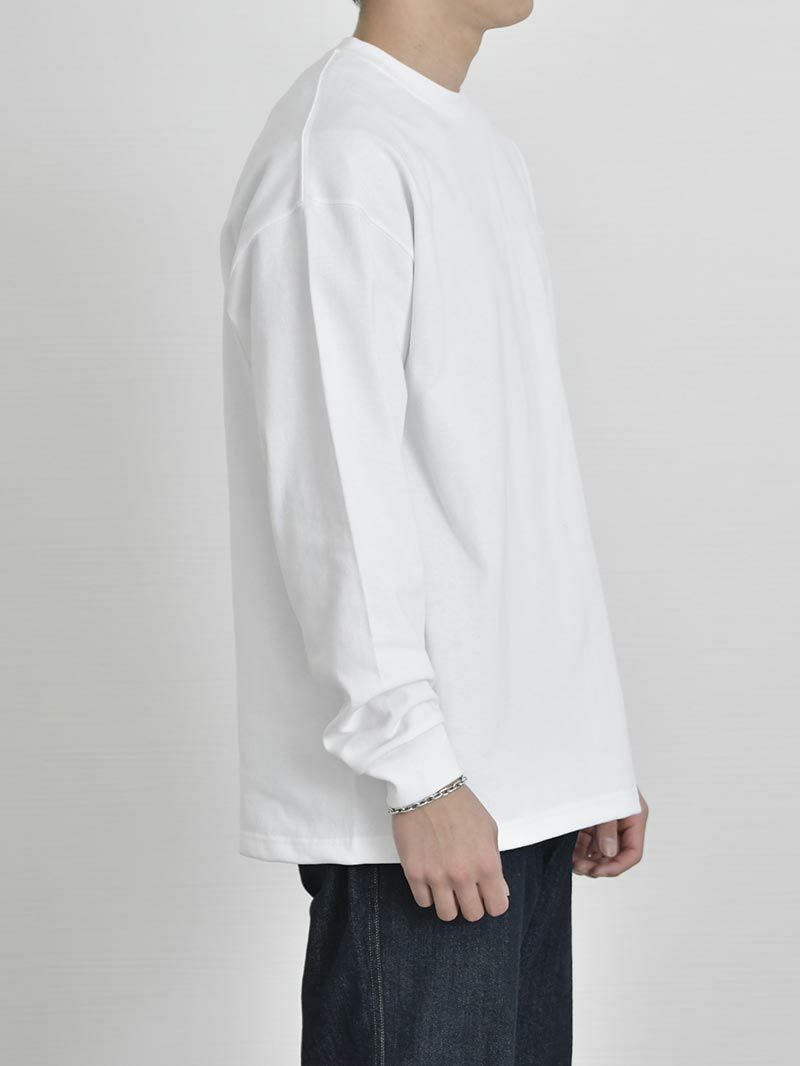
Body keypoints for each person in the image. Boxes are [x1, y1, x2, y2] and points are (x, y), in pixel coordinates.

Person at [219, 1, 649, 1062]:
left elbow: (510, 480)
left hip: (515, 801)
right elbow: (332, 494)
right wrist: (419, 770)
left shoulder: (481, 149)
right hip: (421, 812)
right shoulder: (338, 152)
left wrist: (584, 756)